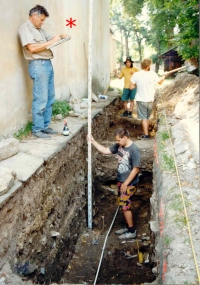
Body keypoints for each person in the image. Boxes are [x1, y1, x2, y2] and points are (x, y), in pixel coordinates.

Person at [18, 5, 70, 139]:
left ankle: (45, 126)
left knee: (50, 97)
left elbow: (51, 36)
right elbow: (32, 49)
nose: (42, 22)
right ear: (34, 16)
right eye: (41, 20)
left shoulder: (39, 29)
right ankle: (37, 129)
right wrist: (51, 42)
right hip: (38, 65)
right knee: (40, 99)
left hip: (47, 64)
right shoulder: (25, 29)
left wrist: (60, 36)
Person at [88, 128, 140, 239]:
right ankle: (127, 226)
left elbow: (136, 169)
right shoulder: (120, 146)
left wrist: (126, 183)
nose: (117, 142)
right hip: (122, 182)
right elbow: (106, 151)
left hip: (129, 184)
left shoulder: (134, 149)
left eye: (118, 140)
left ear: (125, 137)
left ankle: (132, 231)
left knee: (125, 207)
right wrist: (93, 141)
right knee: (123, 205)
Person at [129, 58, 169, 140]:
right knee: (147, 117)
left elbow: (131, 87)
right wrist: (165, 76)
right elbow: (160, 82)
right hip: (150, 99)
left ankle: (146, 135)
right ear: (148, 66)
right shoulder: (153, 74)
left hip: (141, 99)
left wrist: (138, 84)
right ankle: (146, 131)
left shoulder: (136, 74)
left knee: (144, 118)